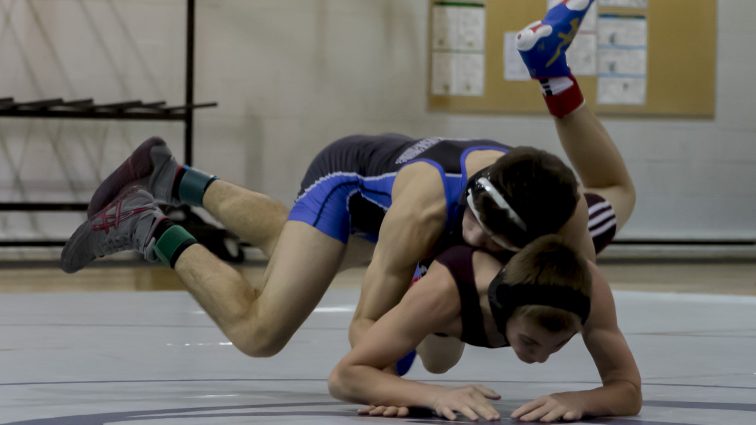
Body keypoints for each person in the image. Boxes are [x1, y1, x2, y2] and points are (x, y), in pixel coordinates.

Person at [60, 0, 632, 367]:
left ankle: (172, 176)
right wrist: (394, 351)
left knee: (298, 254)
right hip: (349, 181)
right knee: (263, 331)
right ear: (481, 192)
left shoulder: (563, 211)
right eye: (473, 215)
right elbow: (363, 334)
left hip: (393, 179)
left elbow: (589, 281)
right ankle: (145, 222)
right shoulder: (427, 214)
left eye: (486, 236)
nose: (471, 232)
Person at [328, 236, 641, 423]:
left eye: (558, 345)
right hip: (391, 207)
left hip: (457, 308)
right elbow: (343, 378)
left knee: (438, 363)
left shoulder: (590, 290)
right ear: (502, 306)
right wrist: (433, 396)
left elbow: (628, 390)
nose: (540, 359)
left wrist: (581, 401)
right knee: (276, 336)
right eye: (530, 341)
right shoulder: (445, 290)